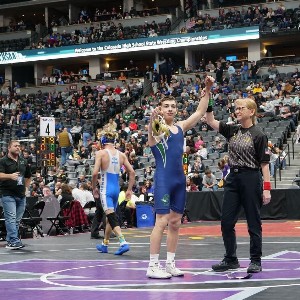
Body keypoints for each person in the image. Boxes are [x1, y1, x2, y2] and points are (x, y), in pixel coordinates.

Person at [146, 75, 215, 279]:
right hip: (164, 180)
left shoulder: (181, 127)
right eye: (165, 106)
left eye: (172, 106)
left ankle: (170, 263)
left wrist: (207, 89)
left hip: (179, 180)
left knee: (175, 222)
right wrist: (153, 118)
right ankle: (152, 266)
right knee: (162, 221)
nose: (169, 109)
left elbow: (200, 111)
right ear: (160, 108)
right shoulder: (157, 129)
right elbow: (155, 131)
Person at [206, 97, 271, 274]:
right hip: (232, 179)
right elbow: (210, 120)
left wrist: (267, 188)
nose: (237, 111)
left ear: (251, 112)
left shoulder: (259, 135)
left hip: (251, 178)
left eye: (241, 108)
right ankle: (230, 259)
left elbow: (264, 164)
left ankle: (255, 260)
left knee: (253, 222)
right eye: (236, 108)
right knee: (226, 221)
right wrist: (209, 99)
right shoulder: (232, 130)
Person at [92, 130, 135, 255]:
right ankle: (105, 244)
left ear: (102, 142)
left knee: (111, 216)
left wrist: (94, 187)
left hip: (106, 190)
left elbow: (95, 173)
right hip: (116, 189)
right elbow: (132, 172)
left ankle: (123, 242)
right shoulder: (121, 155)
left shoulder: (100, 153)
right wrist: (129, 189)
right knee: (110, 217)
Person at [0, 140, 32, 249]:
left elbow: (28, 176)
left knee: (17, 219)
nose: (18, 147)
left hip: (21, 194)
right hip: (7, 193)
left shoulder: (23, 161)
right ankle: (14, 240)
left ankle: (10, 240)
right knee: (11, 218)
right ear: (9, 148)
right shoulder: (3, 161)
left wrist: (27, 188)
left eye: (19, 146)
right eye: (15, 146)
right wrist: (10, 176)